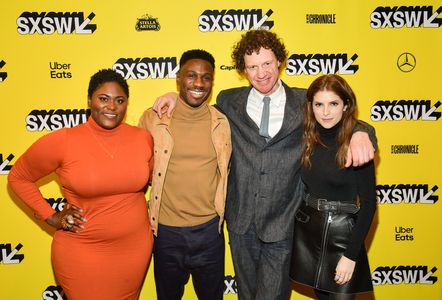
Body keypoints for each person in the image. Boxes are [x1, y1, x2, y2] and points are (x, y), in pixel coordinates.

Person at [153, 29, 376, 300]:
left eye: (267, 63)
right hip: (240, 223)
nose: (261, 73)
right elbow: (196, 102)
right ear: (243, 70)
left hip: (284, 224)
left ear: (279, 61)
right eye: (252, 67)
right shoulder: (228, 100)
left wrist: (363, 132)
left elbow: (339, 113)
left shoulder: (304, 101)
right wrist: (174, 96)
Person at [8, 69, 154, 300]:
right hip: (83, 247)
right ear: (89, 101)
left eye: (119, 100)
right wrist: (49, 215)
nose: (111, 107)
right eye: (103, 99)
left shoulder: (142, 138)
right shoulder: (63, 141)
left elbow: (156, 176)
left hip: (134, 247)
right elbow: (18, 176)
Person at [138, 49, 231, 300]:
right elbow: (136, 169)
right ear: (178, 78)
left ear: (213, 81)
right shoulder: (152, 119)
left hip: (210, 232)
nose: (198, 83)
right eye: (191, 75)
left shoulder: (223, 122)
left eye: (206, 77)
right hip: (166, 233)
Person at [289, 74, 376, 300]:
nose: (326, 112)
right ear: (311, 106)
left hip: (343, 238)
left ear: (346, 105)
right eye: (319, 104)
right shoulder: (308, 137)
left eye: (333, 104)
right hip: (310, 235)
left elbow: (368, 205)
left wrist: (350, 256)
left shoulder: (357, 143)